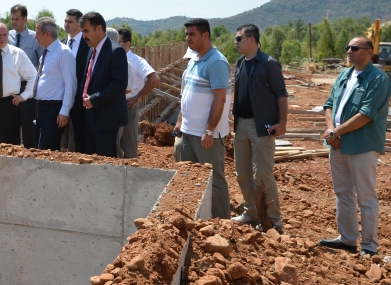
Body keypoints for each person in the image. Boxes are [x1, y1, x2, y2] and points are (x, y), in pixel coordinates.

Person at [319, 36, 391, 256]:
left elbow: (366, 114)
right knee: (343, 193)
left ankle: (369, 246)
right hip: (338, 143)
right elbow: (329, 104)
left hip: (362, 145)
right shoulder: (344, 74)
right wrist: (332, 132)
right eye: (347, 47)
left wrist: (336, 132)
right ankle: (348, 239)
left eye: (354, 48)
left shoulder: (378, 79)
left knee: (366, 196)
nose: (349, 51)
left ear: (369, 52)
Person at [230, 24, 288, 232]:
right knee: (242, 173)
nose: (235, 42)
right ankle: (251, 213)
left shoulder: (268, 64)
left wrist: (282, 123)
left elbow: (281, 94)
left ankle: (273, 219)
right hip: (241, 125)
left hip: (261, 126)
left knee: (262, 175)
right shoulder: (239, 63)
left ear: (251, 39)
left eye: (238, 39)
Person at [173, 18, 231, 219]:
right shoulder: (194, 61)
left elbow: (220, 99)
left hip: (206, 136)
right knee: (188, 179)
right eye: (186, 34)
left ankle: (221, 224)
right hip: (188, 132)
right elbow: (186, 94)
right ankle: (195, 221)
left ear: (205, 35)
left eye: (192, 34)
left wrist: (209, 130)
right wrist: (180, 121)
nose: (187, 38)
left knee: (214, 181)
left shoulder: (216, 63)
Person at [79, 12, 128, 157]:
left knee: (105, 164)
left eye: (86, 31)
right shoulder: (91, 51)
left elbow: (119, 84)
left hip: (106, 119)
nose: (84, 36)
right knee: (90, 162)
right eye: (82, 32)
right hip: (89, 116)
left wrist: (94, 100)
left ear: (99, 28)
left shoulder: (116, 51)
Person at [33, 17, 77, 151]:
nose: (35, 36)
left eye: (37, 33)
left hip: (54, 109)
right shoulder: (46, 53)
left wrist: (65, 111)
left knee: (47, 150)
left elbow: (71, 84)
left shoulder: (63, 52)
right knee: (39, 148)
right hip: (41, 108)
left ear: (47, 34)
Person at [116, 28, 160, 159]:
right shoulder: (114, 58)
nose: (115, 44)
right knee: (114, 145)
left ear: (127, 44)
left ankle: (131, 175)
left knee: (129, 146)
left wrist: (137, 97)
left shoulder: (136, 60)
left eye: (119, 42)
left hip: (128, 105)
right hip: (113, 105)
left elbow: (154, 78)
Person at [9, 4, 40, 148]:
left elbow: (41, 62)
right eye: (12, 19)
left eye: (17, 19)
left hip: (28, 86)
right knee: (11, 124)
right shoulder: (6, 37)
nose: (14, 22)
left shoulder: (35, 37)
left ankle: (30, 157)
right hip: (10, 87)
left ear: (25, 19)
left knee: (28, 125)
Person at [63, 8, 89, 152]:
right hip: (61, 96)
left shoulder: (88, 45)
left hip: (80, 98)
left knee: (78, 134)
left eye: (70, 21)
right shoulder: (60, 44)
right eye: (65, 21)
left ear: (79, 24)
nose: (66, 24)